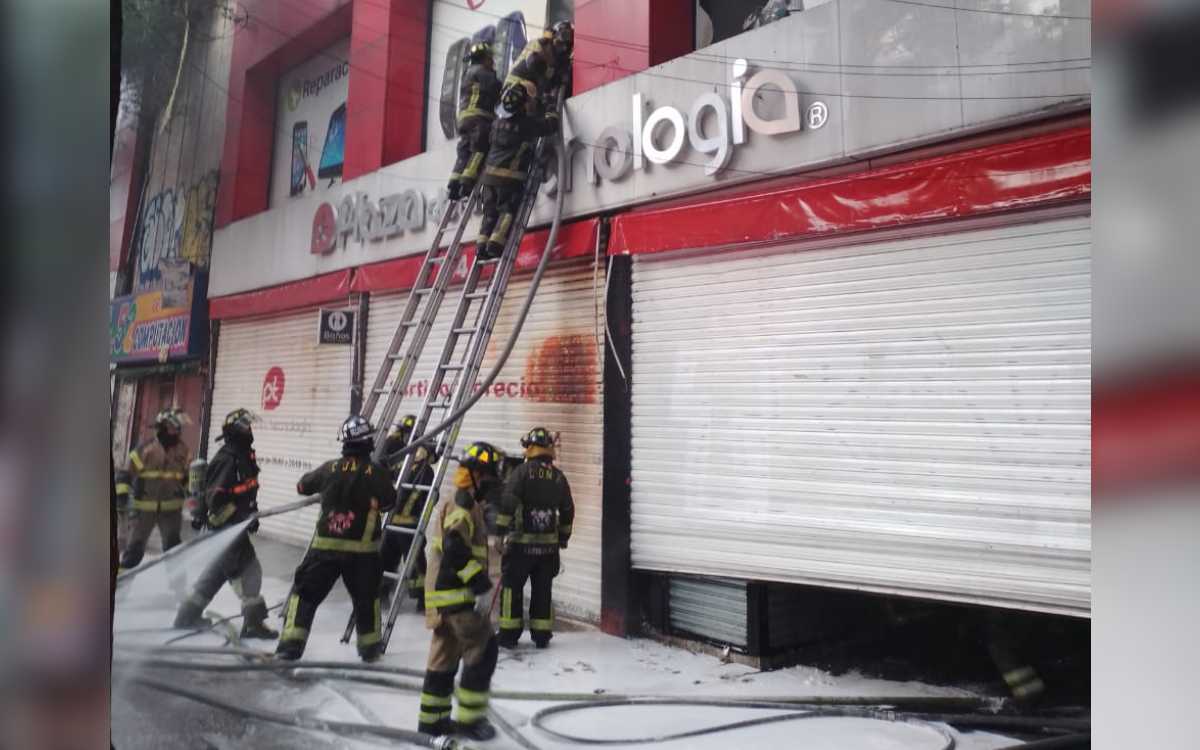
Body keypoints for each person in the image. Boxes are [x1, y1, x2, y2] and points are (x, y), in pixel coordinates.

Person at [276, 415, 396, 662]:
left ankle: (290, 646)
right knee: (366, 600)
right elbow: (389, 502)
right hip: (363, 555)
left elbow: (302, 487)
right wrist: (381, 474)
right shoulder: (375, 473)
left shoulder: (328, 468)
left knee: (305, 596)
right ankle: (369, 650)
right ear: (367, 442)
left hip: (324, 551)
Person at [418, 441, 502, 741]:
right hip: (458, 598)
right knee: (483, 651)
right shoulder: (464, 504)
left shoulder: (457, 499)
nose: (493, 482)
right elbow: (455, 547)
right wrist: (479, 585)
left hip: (441, 600)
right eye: (490, 475)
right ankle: (469, 721)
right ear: (477, 474)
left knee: (443, 657)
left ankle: (432, 722)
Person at [173, 408, 278, 640]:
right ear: (236, 430)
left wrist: (250, 514)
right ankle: (252, 624)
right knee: (251, 573)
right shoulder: (228, 458)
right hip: (226, 529)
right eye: (246, 426)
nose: (250, 431)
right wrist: (241, 516)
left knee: (214, 576)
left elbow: (244, 490)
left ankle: (186, 616)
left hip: (231, 527)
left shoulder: (241, 455)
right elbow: (215, 498)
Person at [495, 427, 574, 649]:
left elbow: (508, 503)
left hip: (520, 547)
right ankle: (541, 634)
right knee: (543, 590)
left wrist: (499, 534)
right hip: (548, 551)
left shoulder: (521, 473)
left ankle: (509, 635)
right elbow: (568, 509)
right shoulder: (559, 477)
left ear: (529, 447)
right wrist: (563, 537)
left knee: (511, 588)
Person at [475, 82, 559, 261]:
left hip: (488, 179)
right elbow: (550, 125)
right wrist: (550, 105)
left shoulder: (496, 124)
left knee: (489, 213)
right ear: (521, 105)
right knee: (506, 211)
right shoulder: (525, 125)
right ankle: (495, 245)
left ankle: (481, 246)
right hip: (509, 179)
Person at [118, 409, 190, 573]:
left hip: (171, 512)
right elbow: (125, 473)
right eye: (174, 427)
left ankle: (179, 592)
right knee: (134, 551)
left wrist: (194, 497)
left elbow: (187, 478)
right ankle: (119, 587)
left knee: (174, 552)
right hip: (144, 510)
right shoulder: (146, 448)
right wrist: (121, 496)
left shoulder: (183, 450)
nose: (178, 431)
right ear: (164, 426)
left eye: (179, 427)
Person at [380, 436, 435, 611]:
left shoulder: (414, 469)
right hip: (404, 525)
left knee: (398, 561)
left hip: (397, 523)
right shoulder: (419, 470)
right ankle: (420, 601)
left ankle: (385, 595)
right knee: (410, 563)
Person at [447, 41, 501, 201]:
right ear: (484, 58)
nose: (492, 61)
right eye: (490, 58)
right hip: (480, 117)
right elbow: (497, 88)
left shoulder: (468, 73)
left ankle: (454, 184)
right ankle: (466, 184)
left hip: (464, 119)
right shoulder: (484, 72)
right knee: (480, 149)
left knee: (464, 152)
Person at [504, 20, 573, 107]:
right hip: (515, 89)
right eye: (559, 45)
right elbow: (545, 83)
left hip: (522, 88)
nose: (563, 49)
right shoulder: (538, 52)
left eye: (566, 46)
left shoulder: (546, 49)